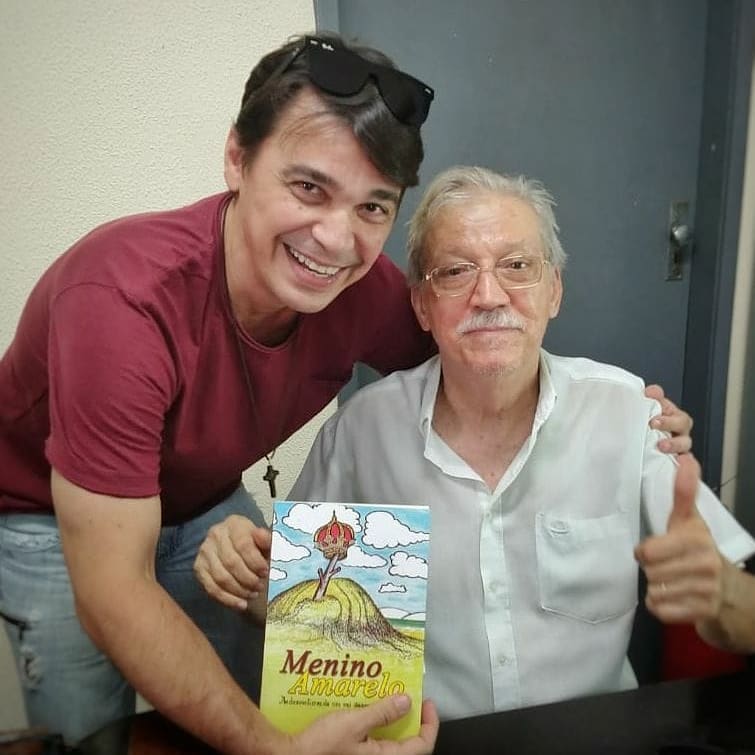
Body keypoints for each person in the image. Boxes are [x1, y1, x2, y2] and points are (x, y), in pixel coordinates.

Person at [0, 33, 441, 753]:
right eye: (309, 188)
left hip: (203, 500)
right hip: (49, 515)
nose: (337, 240)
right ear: (237, 158)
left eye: (372, 207)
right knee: (91, 734)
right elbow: (113, 591)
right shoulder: (121, 300)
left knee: (255, 693)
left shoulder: (365, 291)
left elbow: (476, 369)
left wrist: (619, 416)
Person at [195, 166, 755, 723]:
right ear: (422, 306)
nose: (489, 295)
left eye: (518, 266)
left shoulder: (629, 415)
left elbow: (739, 612)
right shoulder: (361, 432)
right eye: (456, 271)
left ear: (554, 290)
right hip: (429, 740)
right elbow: (299, 610)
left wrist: (723, 592)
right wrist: (246, 575)